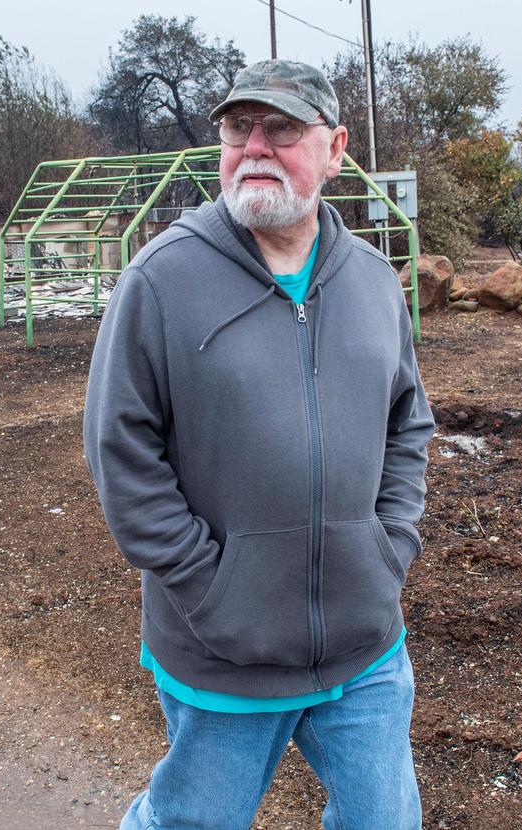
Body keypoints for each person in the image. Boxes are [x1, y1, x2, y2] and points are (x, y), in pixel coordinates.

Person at [82, 59, 434, 830]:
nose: (256, 147)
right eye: (239, 129)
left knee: (385, 822)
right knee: (191, 824)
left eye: (282, 129)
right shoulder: (163, 277)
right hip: (225, 652)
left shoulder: (373, 280)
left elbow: (408, 421)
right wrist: (208, 585)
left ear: (335, 148)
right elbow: (119, 446)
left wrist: (390, 545)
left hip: (362, 644)